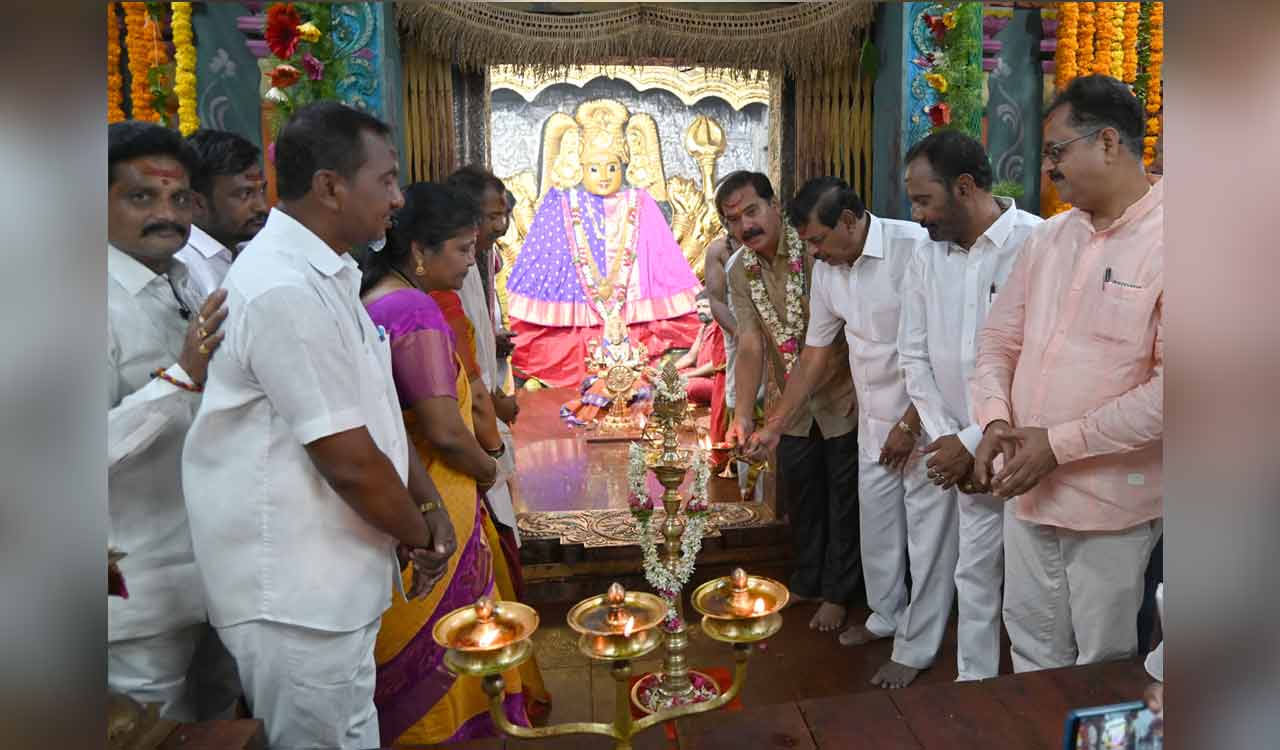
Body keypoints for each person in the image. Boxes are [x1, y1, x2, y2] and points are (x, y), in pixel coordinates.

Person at [182, 102, 456, 750]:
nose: (397, 198)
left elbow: (375, 411)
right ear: (332, 185)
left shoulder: (328, 273)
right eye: (385, 180)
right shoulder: (282, 287)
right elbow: (349, 459)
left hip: (331, 575)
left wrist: (427, 501)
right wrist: (422, 535)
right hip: (295, 591)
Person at [970, 74, 1163, 672]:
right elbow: (999, 339)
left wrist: (1057, 444)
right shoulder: (1049, 238)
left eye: (1057, 151)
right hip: (1025, 491)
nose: (1048, 168)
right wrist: (995, 420)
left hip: (1111, 508)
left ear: (1108, 142)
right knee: (1030, 650)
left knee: (1103, 666)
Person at [361, 182, 547, 745]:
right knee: (452, 636)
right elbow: (442, 428)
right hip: (440, 495)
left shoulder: (375, 299)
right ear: (420, 249)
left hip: (401, 495)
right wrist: (490, 469)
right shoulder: (412, 310)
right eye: (464, 250)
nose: (472, 263)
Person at [747, 175, 950, 690]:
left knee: (928, 541)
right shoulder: (828, 269)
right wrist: (775, 426)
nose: (811, 251)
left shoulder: (915, 249)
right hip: (873, 423)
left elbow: (938, 351)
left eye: (817, 239)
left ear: (851, 220)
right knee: (878, 528)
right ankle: (885, 616)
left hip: (925, 421)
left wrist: (912, 422)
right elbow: (815, 355)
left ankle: (918, 646)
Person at [898, 130, 1043, 682]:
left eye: (923, 200)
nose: (917, 216)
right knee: (974, 573)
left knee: (1033, 595)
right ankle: (973, 689)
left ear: (963, 188)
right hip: (961, 454)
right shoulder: (924, 256)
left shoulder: (1040, 242)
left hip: (1027, 447)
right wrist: (950, 439)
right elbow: (913, 355)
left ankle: (1040, 701)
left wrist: (975, 439)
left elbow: (1041, 358)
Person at [107, 121, 232, 720]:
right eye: (142, 197)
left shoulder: (189, 278)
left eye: (180, 198)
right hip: (136, 590)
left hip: (214, 572)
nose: (168, 214)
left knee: (219, 723)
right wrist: (182, 376)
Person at [719, 172, 861, 639]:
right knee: (802, 496)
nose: (746, 226)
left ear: (774, 205)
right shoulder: (740, 270)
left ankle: (839, 594)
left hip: (843, 393)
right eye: (733, 220)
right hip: (790, 408)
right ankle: (806, 580)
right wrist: (743, 415)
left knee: (843, 498)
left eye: (752, 211)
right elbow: (750, 343)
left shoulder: (816, 249)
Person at [504, 100, 702, 388]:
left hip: (633, 320)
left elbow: (661, 259)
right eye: (594, 169)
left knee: (658, 349)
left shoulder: (641, 202)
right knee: (556, 350)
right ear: (579, 168)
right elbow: (547, 262)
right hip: (578, 317)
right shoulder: (559, 205)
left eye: (612, 167)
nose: (605, 176)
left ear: (625, 167)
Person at [447, 166, 522, 548]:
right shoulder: (446, 279)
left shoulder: (471, 263)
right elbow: (460, 362)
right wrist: (494, 408)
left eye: (504, 214)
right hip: (473, 428)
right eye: (493, 216)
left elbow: (472, 335)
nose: (502, 226)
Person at [176, 129, 267, 295]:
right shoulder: (182, 269)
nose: (262, 207)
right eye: (245, 194)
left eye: (262, 190)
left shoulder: (251, 249)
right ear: (197, 203)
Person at [673, 291, 726, 407]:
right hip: (702, 375)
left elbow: (716, 364)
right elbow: (690, 357)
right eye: (698, 307)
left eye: (706, 307)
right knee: (675, 376)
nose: (701, 310)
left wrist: (688, 375)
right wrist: (669, 371)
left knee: (691, 385)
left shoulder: (722, 328)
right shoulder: (703, 328)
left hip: (717, 380)